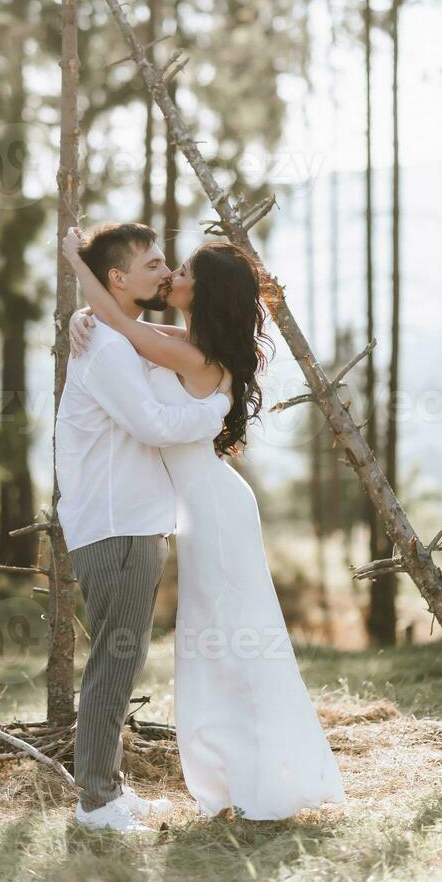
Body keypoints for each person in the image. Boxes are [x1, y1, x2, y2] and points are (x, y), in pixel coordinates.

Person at [64, 221, 347, 822]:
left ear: (204, 291)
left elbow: (117, 324)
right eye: (168, 266)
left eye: (184, 272)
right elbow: (115, 324)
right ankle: (235, 770)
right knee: (217, 643)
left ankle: (261, 774)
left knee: (234, 640)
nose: (173, 276)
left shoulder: (191, 354)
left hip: (213, 512)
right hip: (196, 510)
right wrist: (77, 314)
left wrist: (73, 260)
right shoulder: (179, 341)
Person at [54, 222, 233, 833]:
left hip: (130, 521)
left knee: (119, 661)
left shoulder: (110, 334)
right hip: (117, 524)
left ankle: (107, 789)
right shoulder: (104, 347)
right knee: (115, 661)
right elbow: (154, 424)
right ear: (117, 279)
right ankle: (96, 803)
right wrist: (217, 411)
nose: (164, 272)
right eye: (154, 264)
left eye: (166, 264)